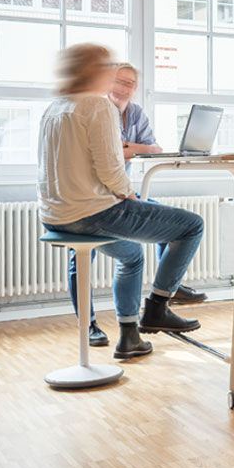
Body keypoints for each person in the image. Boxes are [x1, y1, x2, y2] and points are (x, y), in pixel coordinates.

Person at [38, 43, 205, 359]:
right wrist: (129, 194)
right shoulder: (98, 107)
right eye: (107, 67)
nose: (113, 73)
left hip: (56, 214)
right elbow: (111, 169)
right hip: (92, 212)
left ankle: (129, 338)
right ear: (93, 71)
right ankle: (158, 306)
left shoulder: (56, 107)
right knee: (192, 225)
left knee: (131, 255)